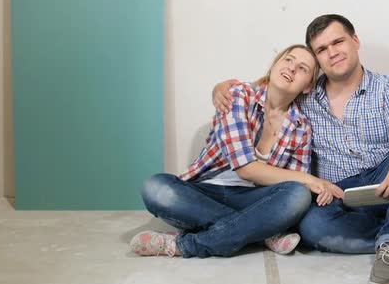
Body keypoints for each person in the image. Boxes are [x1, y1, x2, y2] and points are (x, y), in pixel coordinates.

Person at [213, 15, 389, 284]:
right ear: (317, 60)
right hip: (338, 195)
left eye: (338, 42)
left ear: (355, 41)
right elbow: (268, 91)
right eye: (322, 50)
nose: (332, 52)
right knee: (311, 228)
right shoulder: (305, 95)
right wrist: (221, 89)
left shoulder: (388, 89)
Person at [130, 44, 344, 259]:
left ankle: (185, 245)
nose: (292, 68)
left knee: (297, 195)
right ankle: (260, 233)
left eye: (303, 68)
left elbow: (292, 184)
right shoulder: (238, 95)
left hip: (253, 198)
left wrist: (304, 183)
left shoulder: (301, 127)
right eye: (288, 60)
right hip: (205, 191)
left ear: (307, 86)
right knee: (155, 188)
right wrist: (308, 179)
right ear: (274, 65)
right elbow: (246, 169)